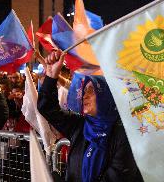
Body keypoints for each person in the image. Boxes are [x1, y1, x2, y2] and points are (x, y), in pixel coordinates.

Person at [37, 50, 143, 182]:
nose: (84, 95)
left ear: (106, 95)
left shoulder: (124, 135)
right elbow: (47, 108)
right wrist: (51, 76)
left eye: (92, 90)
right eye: (84, 90)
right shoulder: (80, 125)